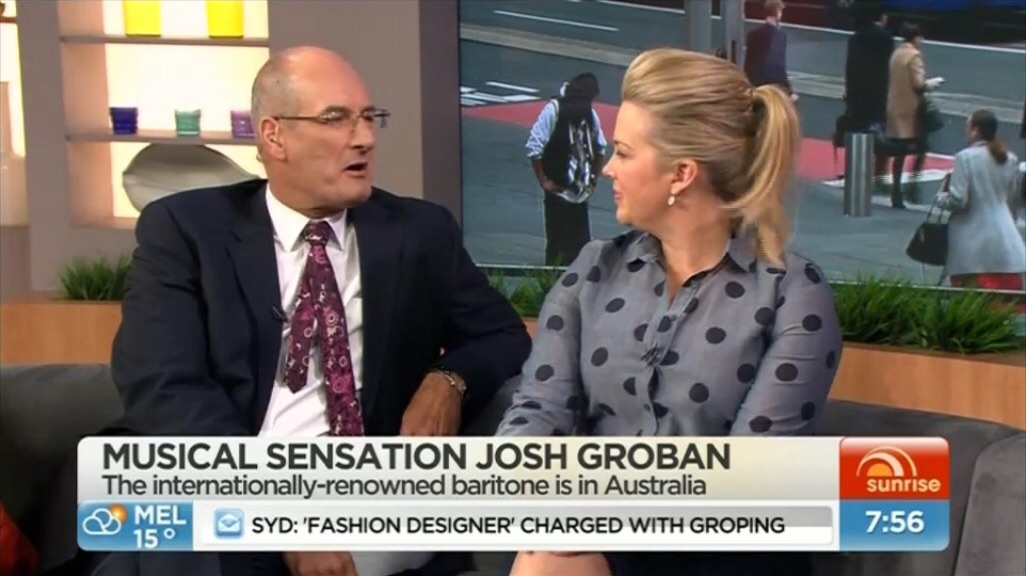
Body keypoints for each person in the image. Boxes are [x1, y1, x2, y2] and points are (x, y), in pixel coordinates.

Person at [92, 47, 531, 576]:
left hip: (359, 493)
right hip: (229, 478)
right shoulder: (187, 230)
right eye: (336, 119)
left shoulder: (418, 232)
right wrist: (279, 515)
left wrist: (448, 380)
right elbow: (163, 384)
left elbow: (503, 335)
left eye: (369, 117)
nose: (364, 138)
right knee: (176, 541)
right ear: (274, 136)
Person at [497, 48, 842, 576]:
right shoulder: (593, 269)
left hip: (726, 551)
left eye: (623, 153)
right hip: (595, 534)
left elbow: (753, 476)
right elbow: (536, 414)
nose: (607, 167)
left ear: (681, 174)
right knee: (546, 556)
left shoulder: (790, 291)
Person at [935, 110, 1025, 291]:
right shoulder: (1010, 159)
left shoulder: (965, 158)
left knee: (970, 294)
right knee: (1004, 297)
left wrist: (940, 197)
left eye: (967, 127)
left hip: (972, 239)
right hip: (1006, 237)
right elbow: (1012, 199)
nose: (966, 131)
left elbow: (958, 200)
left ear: (976, 130)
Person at [526, 73, 607, 266]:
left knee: (578, 246)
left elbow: (600, 148)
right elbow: (534, 146)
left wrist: (592, 179)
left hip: (579, 193)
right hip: (560, 190)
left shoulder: (589, 114)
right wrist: (544, 180)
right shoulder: (554, 110)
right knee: (559, 245)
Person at [887, 22, 942, 209]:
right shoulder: (914, 55)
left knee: (900, 152)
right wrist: (933, 83)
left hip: (896, 107)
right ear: (916, 37)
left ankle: (896, 190)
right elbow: (919, 84)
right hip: (912, 110)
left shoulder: (897, 53)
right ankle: (912, 185)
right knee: (921, 146)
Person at [843, 6, 894, 182]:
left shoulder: (855, 38)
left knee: (858, 133)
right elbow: (888, 69)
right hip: (878, 95)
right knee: (880, 136)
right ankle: (880, 174)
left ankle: (856, 172)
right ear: (882, 17)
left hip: (857, 96)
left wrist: (849, 93)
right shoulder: (886, 38)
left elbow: (850, 68)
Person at [744, 0, 797, 102]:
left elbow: (748, 64)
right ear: (777, 12)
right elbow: (777, 67)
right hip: (772, 90)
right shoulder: (779, 36)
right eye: (780, 12)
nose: (781, 15)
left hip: (755, 87)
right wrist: (789, 91)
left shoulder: (753, 34)